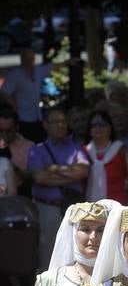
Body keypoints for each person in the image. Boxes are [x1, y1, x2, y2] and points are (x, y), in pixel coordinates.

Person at [28, 107, 90, 270]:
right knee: (47, 255)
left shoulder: (75, 148)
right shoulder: (37, 150)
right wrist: (71, 172)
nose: (60, 125)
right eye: (55, 122)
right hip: (47, 207)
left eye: (63, 122)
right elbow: (39, 178)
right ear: (45, 125)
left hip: (73, 208)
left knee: (75, 256)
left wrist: (53, 169)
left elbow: (83, 171)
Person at [1, 49, 78, 143]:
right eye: (27, 59)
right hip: (23, 117)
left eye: (31, 59)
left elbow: (52, 67)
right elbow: (4, 92)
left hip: (37, 116)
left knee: (40, 141)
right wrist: (14, 107)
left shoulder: (38, 70)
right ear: (22, 60)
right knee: (25, 142)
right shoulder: (15, 75)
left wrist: (68, 62)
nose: (29, 61)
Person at [85, 110, 128, 205]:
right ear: (89, 130)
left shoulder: (121, 150)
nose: (98, 128)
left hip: (118, 209)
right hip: (90, 210)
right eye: (94, 125)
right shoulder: (84, 152)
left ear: (110, 128)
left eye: (102, 124)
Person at [0, 106, 33, 192]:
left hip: (21, 193)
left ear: (16, 127)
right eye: (0, 130)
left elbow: (33, 177)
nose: (4, 134)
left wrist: (13, 167)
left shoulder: (30, 147)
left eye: (8, 131)